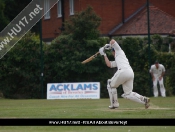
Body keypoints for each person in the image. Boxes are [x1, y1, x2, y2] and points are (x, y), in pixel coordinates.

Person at [99, 39, 150, 109]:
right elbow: (109, 64)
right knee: (128, 94)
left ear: (114, 50)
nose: (112, 53)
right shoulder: (119, 59)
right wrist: (104, 55)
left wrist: (109, 46)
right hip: (130, 73)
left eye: (112, 51)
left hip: (123, 71)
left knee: (110, 84)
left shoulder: (119, 51)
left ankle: (114, 104)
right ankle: (144, 100)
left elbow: (112, 41)